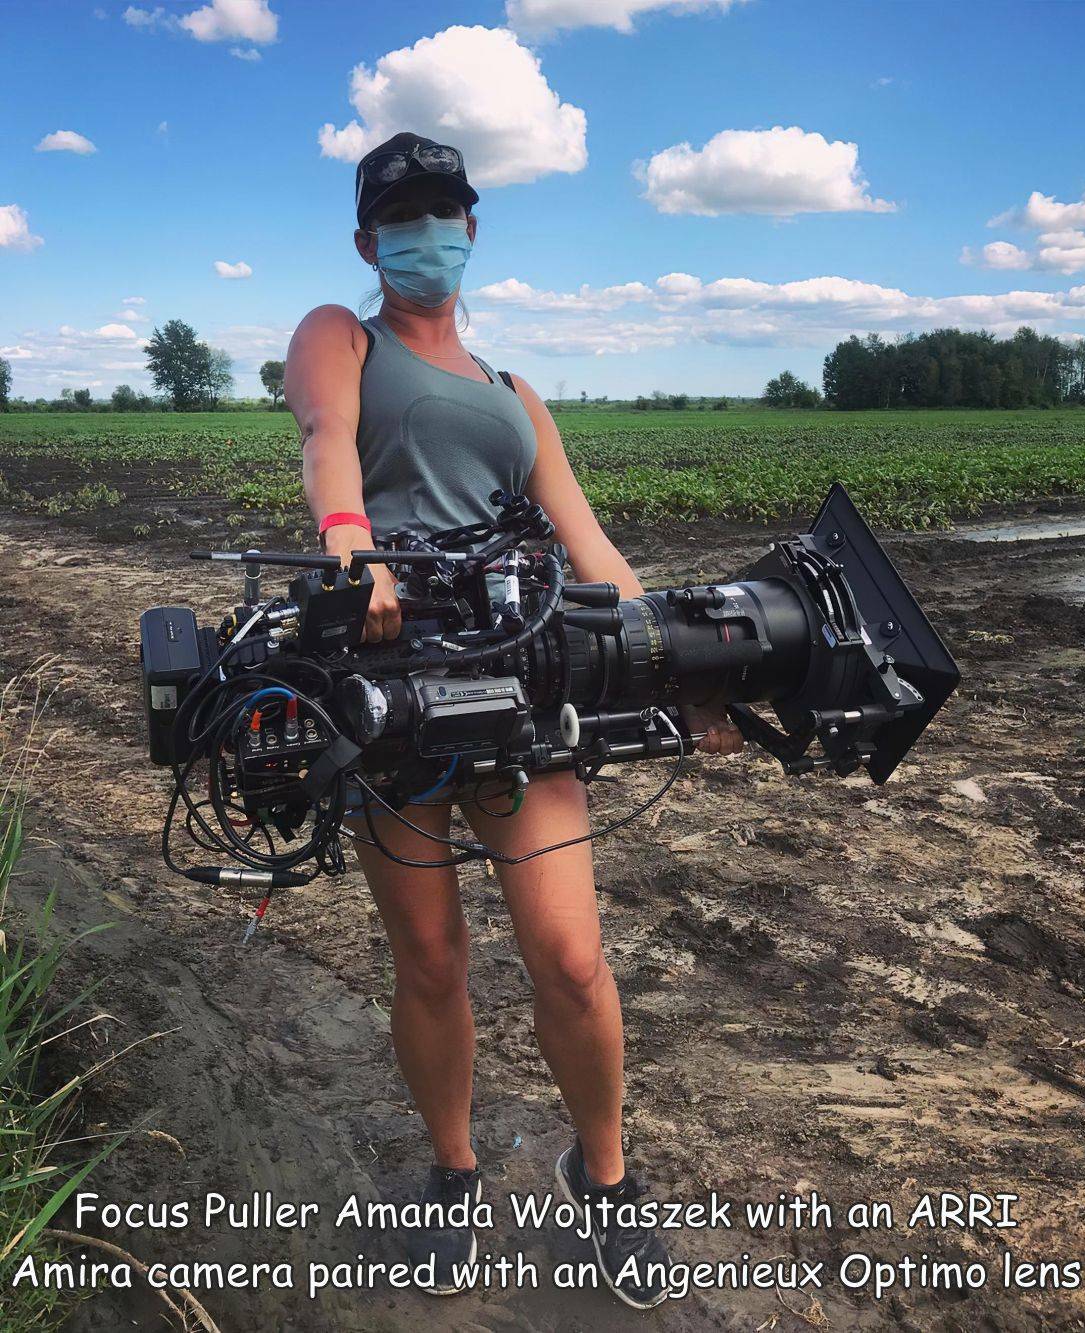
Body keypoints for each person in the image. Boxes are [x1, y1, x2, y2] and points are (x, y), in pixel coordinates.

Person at [284, 131, 744, 1309]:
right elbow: (327, 439)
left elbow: (589, 545)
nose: (425, 235)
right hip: (392, 687)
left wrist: (675, 666)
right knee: (431, 959)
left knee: (571, 959)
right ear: (367, 242)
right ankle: (452, 1173)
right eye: (402, 218)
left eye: (443, 214)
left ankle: (602, 1178)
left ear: (472, 231)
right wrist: (351, 548)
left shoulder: (513, 392)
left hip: (521, 686)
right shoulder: (342, 336)